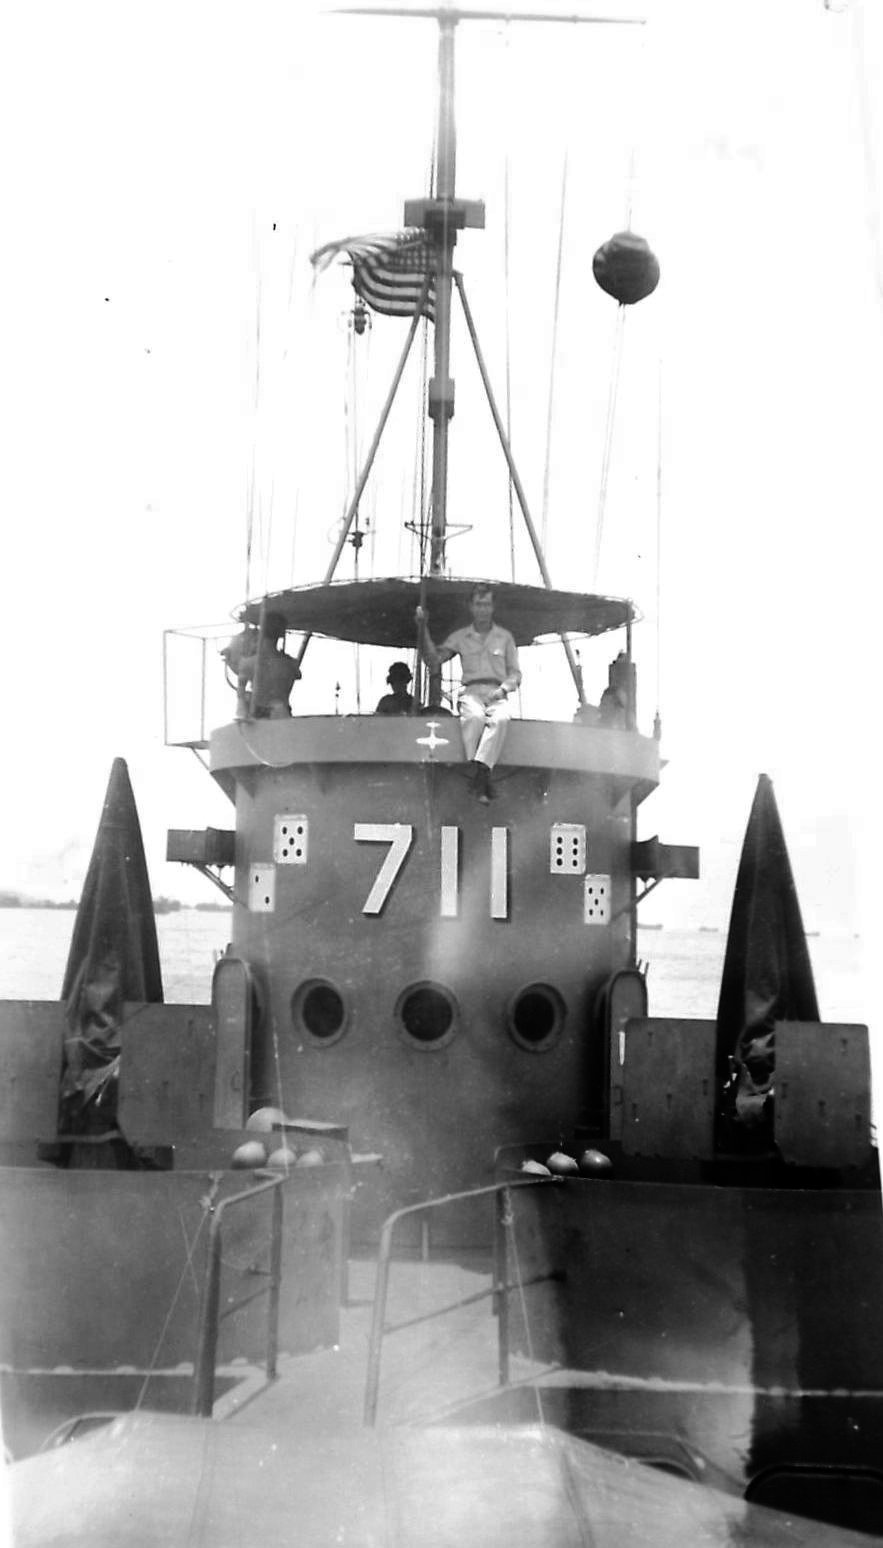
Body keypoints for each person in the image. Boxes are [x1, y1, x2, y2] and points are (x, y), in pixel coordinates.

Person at [416, 585, 521, 801]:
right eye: (479, 605)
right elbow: (434, 660)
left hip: (497, 693)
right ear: (471, 607)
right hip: (472, 692)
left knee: (501, 719)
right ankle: (483, 776)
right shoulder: (461, 637)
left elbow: (515, 673)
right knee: (474, 718)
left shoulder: (505, 638)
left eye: (487, 604)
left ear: (493, 607)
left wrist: (504, 689)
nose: (483, 609)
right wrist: (422, 627)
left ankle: (480, 776)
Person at [229, 612, 301, 719]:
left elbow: (241, 694)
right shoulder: (289, 664)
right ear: (281, 633)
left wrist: (242, 712)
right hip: (282, 715)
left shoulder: (248, 663)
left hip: (259, 717)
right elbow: (297, 675)